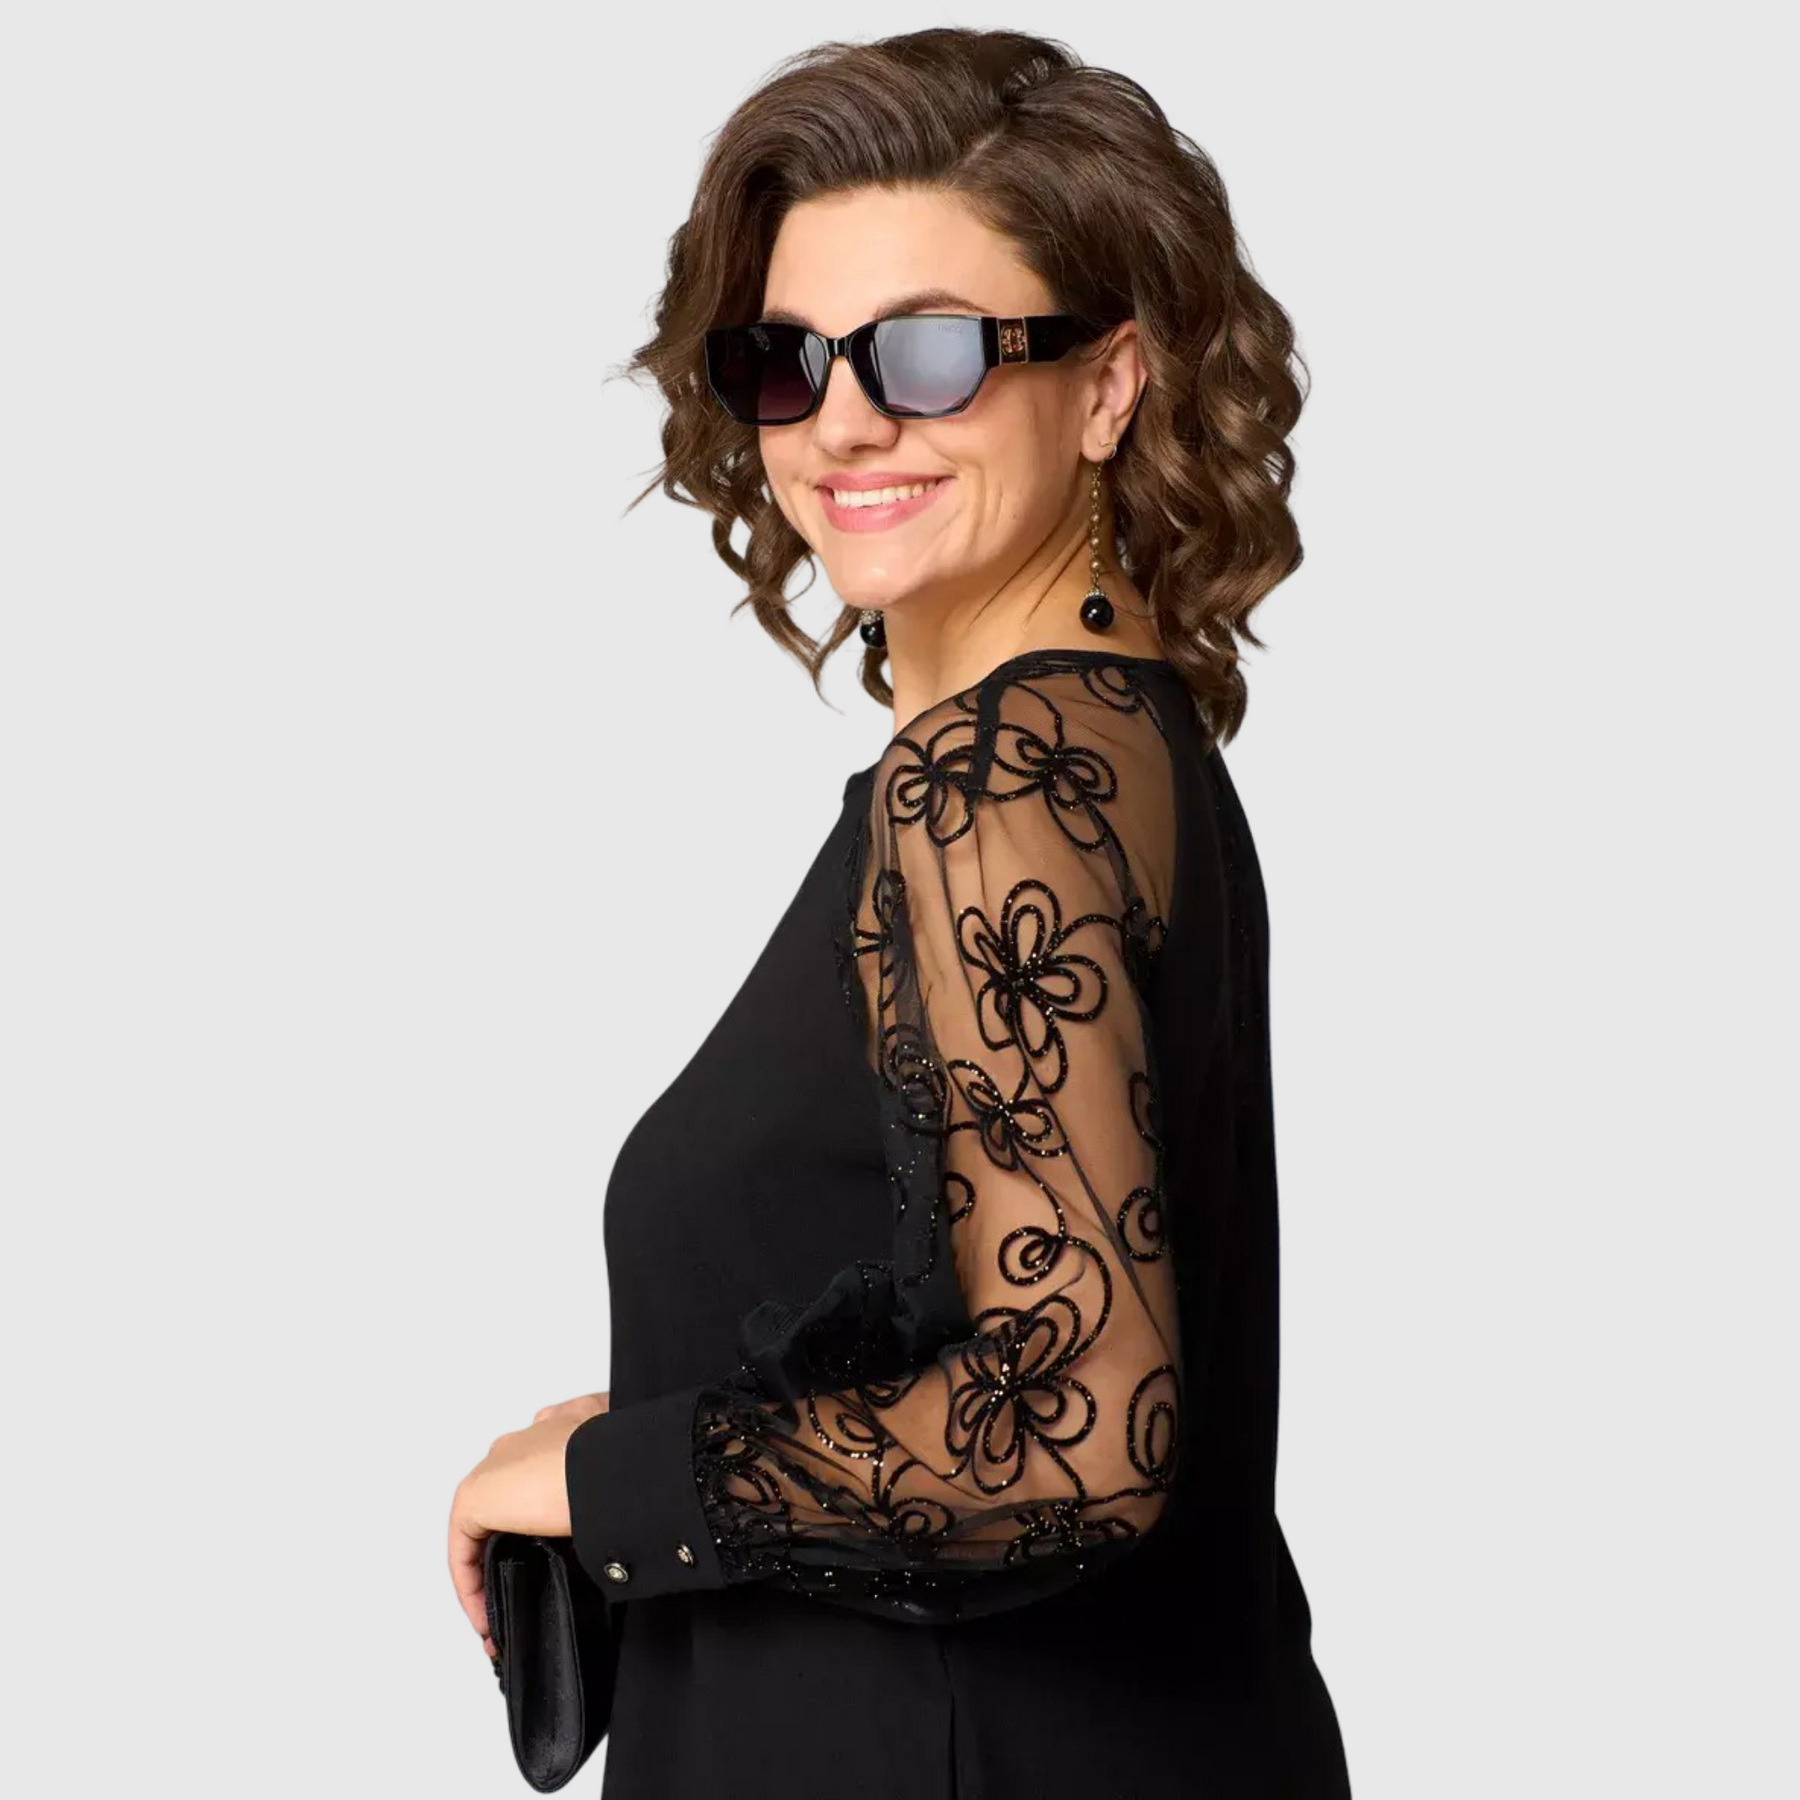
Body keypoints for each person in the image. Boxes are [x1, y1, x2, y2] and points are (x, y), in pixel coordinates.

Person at [448, 26, 1351, 1798]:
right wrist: (679, 1424)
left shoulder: (998, 780)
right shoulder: (1106, 750)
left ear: (1107, 384)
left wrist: (613, 1484)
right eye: (786, 359)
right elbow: (963, 1306)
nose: (847, 418)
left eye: (929, 352)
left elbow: (1077, 1432)